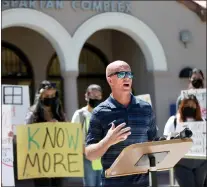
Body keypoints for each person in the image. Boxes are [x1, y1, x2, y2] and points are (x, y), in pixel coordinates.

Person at [85, 60, 157, 187]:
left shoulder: (145, 108)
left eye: (129, 74)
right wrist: (107, 141)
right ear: (110, 80)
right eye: (121, 74)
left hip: (143, 183)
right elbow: (90, 154)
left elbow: (154, 143)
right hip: (113, 183)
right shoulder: (100, 112)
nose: (127, 78)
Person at [25, 80, 66, 187]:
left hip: (57, 159)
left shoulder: (59, 112)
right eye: (47, 95)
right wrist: (45, 126)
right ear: (40, 96)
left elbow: (67, 132)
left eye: (53, 95)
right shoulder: (33, 113)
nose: (50, 97)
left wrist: (60, 125)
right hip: (39, 160)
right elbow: (27, 133)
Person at [164, 94, 207, 187]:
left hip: (201, 163)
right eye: (187, 105)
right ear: (181, 106)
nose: (190, 108)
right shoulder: (173, 121)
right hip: (182, 164)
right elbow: (166, 139)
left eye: (192, 106)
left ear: (197, 107)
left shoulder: (203, 120)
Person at [71, 84, 103, 187]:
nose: (95, 98)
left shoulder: (104, 113)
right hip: (87, 155)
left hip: (103, 155)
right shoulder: (79, 114)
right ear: (87, 96)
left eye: (98, 96)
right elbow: (73, 135)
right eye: (92, 95)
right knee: (91, 184)